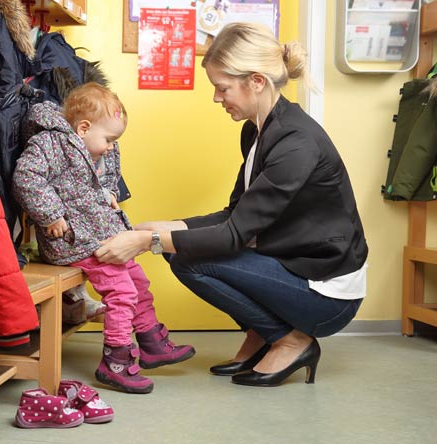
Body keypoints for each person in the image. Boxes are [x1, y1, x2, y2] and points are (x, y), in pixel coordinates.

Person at [93, 23, 369, 387]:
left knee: (189, 258)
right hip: (295, 266)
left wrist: (148, 242)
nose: (217, 98)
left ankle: (290, 339)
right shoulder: (258, 129)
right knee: (180, 248)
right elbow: (235, 214)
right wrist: (167, 225)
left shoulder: (296, 143)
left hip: (326, 294)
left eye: (222, 88)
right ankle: (266, 333)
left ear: (256, 81)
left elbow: (235, 234)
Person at [13, 82, 195, 394]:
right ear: (83, 128)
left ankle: (150, 339)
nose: (111, 147)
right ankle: (116, 361)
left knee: (137, 280)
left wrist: (108, 192)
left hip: (97, 233)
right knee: (122, 292)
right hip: (71, 239)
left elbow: (97, 178)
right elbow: (25, 177)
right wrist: (52, 215)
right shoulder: (50, 144)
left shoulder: (94, 146)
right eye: (109, 140)